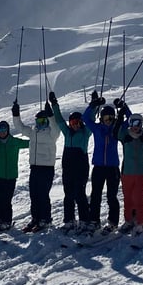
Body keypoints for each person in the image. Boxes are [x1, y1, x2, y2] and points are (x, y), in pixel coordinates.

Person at [82, 92, 130, 234]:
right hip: (98, 167)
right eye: (106, 117)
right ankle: (94, 221)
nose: (108, 120)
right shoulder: (97, 128)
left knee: (111, 196)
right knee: (95, 195)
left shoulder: (117, 129)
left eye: (111, 117)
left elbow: (131, 119)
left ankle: (113, 222)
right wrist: (93, 105)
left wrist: (124, 107)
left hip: (112, 167)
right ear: (101, 118)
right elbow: (85, 118)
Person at [12, 99, 60, 233]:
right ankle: (35, 218)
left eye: (43, 121)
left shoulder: (52, 133)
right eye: (38, 121)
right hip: (34, 168)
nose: (41, 124)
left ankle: (45, 219)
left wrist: (51, 115)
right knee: (34, 195)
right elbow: (20, 127)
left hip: (47, 168)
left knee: (43, 194)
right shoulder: (33, 132)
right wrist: (16, 115)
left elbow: (56, 128)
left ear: (47, 121)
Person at [49, 91, 92, 234]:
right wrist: (54, 104)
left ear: (81, 123)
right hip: (68, 168)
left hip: (81, 168)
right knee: (68, 195)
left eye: (77, 122)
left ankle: (84, 220)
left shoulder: (85, 133)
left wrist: (94, 106)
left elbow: (90, 120)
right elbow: (59, 120)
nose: (75, 125)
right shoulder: (67, 133)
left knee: (80, 194)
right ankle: (69, 220)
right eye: (72, 123)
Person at [114, 110, 143, 235]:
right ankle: (129, 220)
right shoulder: (125, 135)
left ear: (141, 124)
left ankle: (141, 222)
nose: (135, 126)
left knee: (139, 199)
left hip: (142, 173)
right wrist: (120, 116)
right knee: (128, 198)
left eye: (138, 123)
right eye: (132, 123)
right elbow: (115, 133)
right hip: (127, 172)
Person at [0, 120, 29, 233]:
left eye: (4, 130)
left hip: (11, 176)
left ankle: (7, 221)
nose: (2, 132)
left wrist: (41, 139)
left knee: (6, 200)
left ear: (8, 130)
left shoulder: (15, 141)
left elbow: (30, 143)